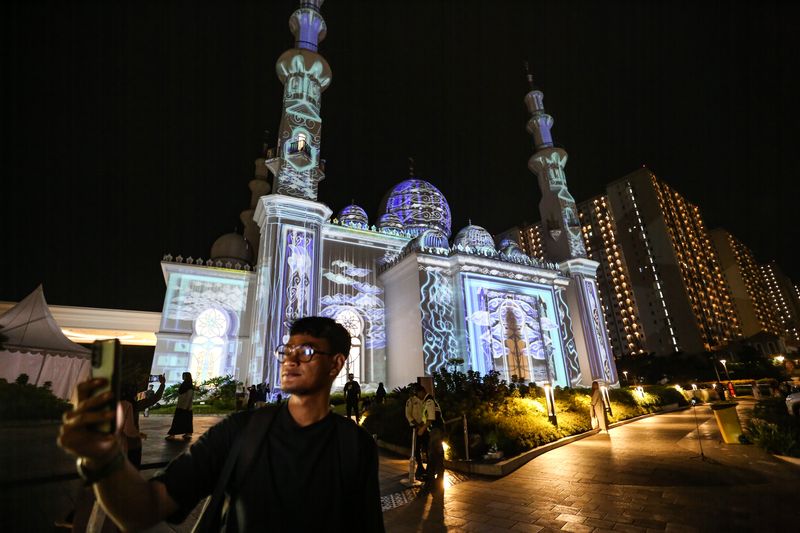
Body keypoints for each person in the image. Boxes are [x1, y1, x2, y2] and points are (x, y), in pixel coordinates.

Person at [57, 316, 384, 532]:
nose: (291, 359)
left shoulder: (356, 446)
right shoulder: (241, 431)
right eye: (287, 349)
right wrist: (103, 458)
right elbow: (145, 509)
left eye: (307, 350)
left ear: (337, 364)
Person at [419, 385, 445, 491]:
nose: (417, 396)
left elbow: (431, 418)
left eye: (417, 394)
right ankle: (435, 479)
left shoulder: (429, 401)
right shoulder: (429, 400)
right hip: (435, 430)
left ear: (421, 392)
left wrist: (422, 429)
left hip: (436, 430)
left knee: (435, 454)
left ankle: (435, 479)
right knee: (436, 454)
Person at [405, 383, 426, 481]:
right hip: (415, 428)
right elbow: (408, 414)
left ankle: (426, 468)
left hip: (424, 427)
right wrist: (417, 425)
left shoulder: (425, 401)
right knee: (416, 448)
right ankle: (420, 466)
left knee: (425, 446)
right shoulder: (411, 401)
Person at [166, 372, 194, 441]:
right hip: (184, 407)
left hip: (184, 407)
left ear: (187, 377)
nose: (183, 377)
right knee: (186, 421)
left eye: (184, 376)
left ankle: (172, 435)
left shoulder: (189, 386)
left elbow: (189, 397)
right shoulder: (185, 385)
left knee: (177, 422)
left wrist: (185, 407)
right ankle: (187, 434)